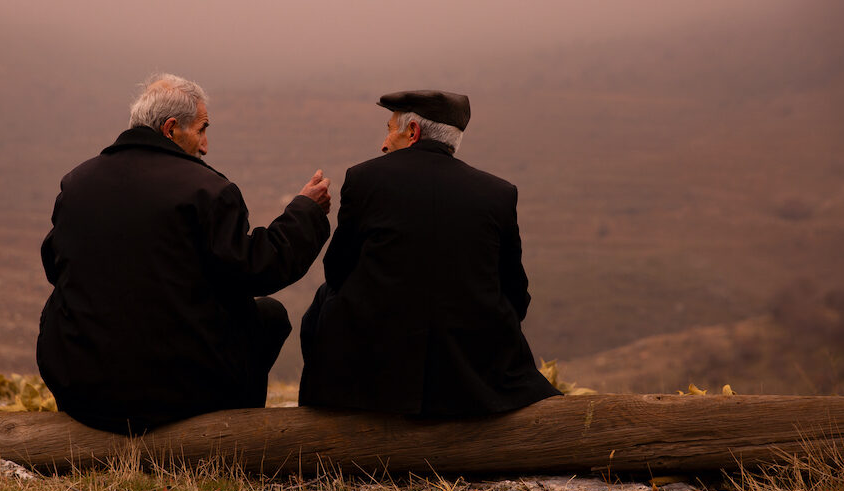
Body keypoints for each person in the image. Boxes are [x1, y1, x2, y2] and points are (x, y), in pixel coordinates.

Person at [37, 74, 331, 434]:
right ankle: (233, 435)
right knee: (268, 316)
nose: (205, 146)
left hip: (81, 389)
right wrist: (306, 211)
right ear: (172, 129)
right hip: (174, 396)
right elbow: (258, 269)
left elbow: (56, 266)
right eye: (202, 130)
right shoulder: (207, 191)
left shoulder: (76, 182)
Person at [299, 90, 561, 415]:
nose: (383, 143)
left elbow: (337, 270)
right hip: (472, 382)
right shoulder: (498, 193)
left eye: (389, 129)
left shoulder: (365, 178)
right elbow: (515, 294)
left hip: (377, 378)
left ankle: (325, 404)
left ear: (413, 132)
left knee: (324, 298)